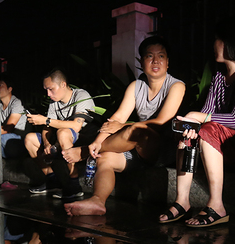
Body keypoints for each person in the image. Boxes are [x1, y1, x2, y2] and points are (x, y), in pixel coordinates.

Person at [159, 17, 235, 227]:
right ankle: (182, 202)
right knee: (189, 133)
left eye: (217, 39)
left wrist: (199, 118)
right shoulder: (219, 76)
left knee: (206, 127)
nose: (214, 44)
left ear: (231, 42)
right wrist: (192, 125)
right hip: (222, 144)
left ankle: (217, 205)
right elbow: (206, 112)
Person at [64, 36, 186, 216]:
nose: (155, 61)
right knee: (105, 158)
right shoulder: (136, 86)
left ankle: (84, 152)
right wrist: (97, 142)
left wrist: (122, 126)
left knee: (136, 130)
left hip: (162, 149)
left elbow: (162, 122)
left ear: (167, 62)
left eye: (161, 56)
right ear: (141, 62)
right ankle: (97, 201)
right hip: (137, 149)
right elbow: (117, 118)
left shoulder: (176, 86)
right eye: (149, 56)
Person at [26, 68, 97, 199]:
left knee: (63, 132)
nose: (48, 94)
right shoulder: (54, 102)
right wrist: (47, 144)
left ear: (63, 84)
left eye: (51, 89)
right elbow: (48, 127)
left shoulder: (81, 96)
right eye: (46, 90)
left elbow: (76, 126)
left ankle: (74, 185)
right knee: (30, 139)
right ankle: (52, 180)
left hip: (84, 141)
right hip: (61, 141)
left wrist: (45, 120)